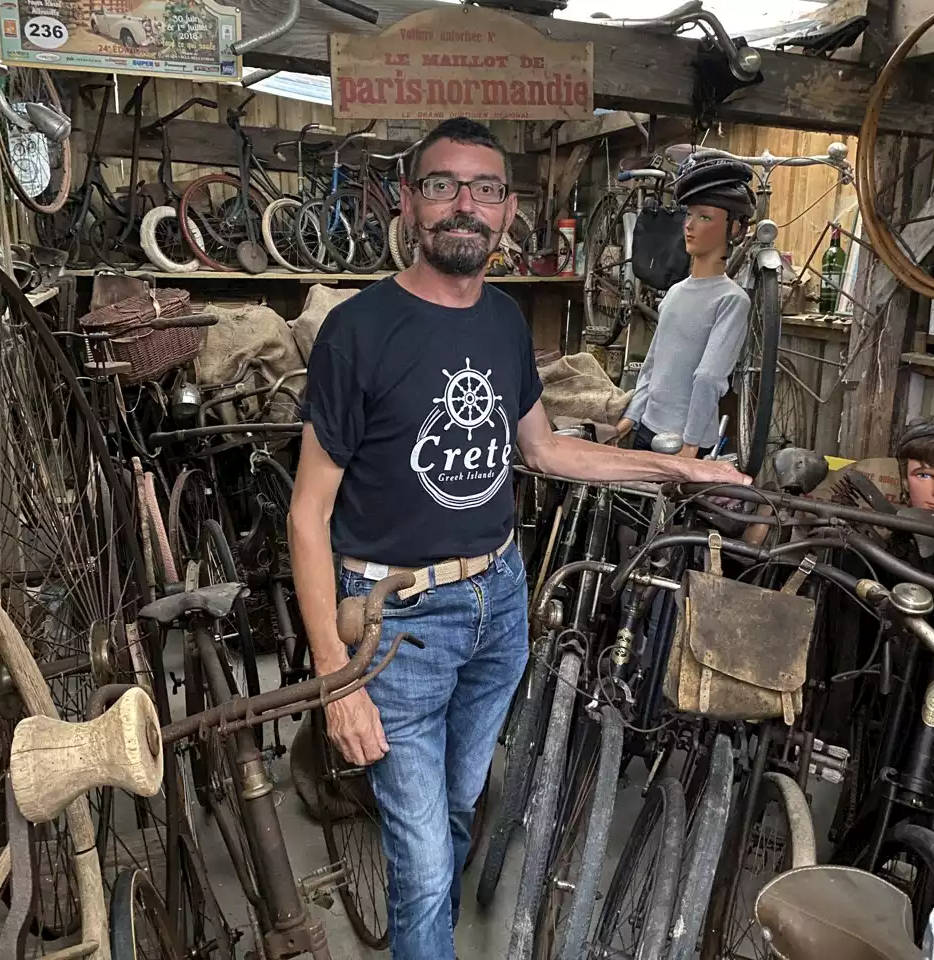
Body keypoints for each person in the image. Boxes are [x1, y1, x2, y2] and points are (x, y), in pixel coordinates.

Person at [287, 117, 749, 960]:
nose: (465, 206)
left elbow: (543, 450)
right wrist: (334, 679)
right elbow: (307, 513)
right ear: (410, 202)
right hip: (396, 622)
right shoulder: (358, 332)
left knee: (462, 806)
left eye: (487, 189)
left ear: (508, 211)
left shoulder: (502, 321)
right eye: (443, 186)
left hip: (498, 599)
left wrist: (678, 471)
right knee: (425, 861)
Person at [616, 158, 756, 456]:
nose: (689, 225)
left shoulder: (731, 299)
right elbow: (653, 363)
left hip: (684, 443)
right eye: (689, 215)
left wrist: (691, 443)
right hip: (648, 429)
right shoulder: (675, 292)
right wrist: (632, 416)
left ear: (734, 229)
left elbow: (709, 377)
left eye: (705, 217)